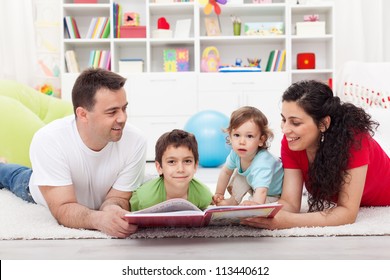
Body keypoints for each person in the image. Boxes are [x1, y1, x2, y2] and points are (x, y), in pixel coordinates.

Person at [0, 68, 147, 238]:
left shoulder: (136, 141)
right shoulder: (49, 139)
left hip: (67, 182)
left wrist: (112, 209)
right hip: (39, 188)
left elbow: (119, 197)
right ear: (83, 114)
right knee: (13, 176)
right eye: (112, 112)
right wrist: (98, 219)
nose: (122, 118)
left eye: (124, 108)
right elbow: (63, 207)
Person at [242, 80, 390, 230]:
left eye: (295, 123)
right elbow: (290, 203)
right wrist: (258, 211)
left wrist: (290, 221)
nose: (285, 130)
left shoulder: (355, 140)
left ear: (323, 123)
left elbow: (347, 213)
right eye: (284, 119)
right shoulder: (291, 144)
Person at [213, 106, 284, 206]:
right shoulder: (235, 153)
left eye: (249, 136)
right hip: (253, 183)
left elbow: (262, 191)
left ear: (261, 140)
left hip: (272, 193)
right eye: (237, 135)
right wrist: (219, 193)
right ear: (230, 136)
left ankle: (253, 202)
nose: (242, 142)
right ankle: (233, 200)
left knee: (266, 205)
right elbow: (226, 172)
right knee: (240, 173)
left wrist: (255, 204)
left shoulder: (263, 163)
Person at [130, 129, 213, 211]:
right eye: (172, 162)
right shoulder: (144, 199)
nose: (180, 169)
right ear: (159, 167)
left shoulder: (204, 196)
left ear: (195, 166)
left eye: (187, 161)